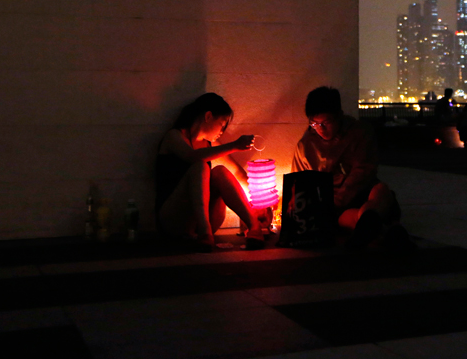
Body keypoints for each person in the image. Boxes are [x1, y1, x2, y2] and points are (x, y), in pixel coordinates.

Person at [291, 86, 411, 250]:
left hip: (362, 192)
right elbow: (299, 184)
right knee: (354, 217)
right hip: (333, 207)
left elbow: (363, 172)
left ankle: (374, 229)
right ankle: (385, 231)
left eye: (326, 122)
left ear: (339, 115)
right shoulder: (305, 146)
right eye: (315, 123)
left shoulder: (359, 133)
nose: (321, 129)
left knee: (380, 191)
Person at [156, 93, 265, 251]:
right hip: (173, 219)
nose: (222, 131)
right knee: (200, 166)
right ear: (208, 116)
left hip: (205, 220)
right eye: (222, 124)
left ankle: (254, 226)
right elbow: (192, 156)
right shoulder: (174, 136)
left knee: (220, 171)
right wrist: (234, 145)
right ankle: (204, 231)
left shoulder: (210, 143)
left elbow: (235, 171)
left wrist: (260, 200)